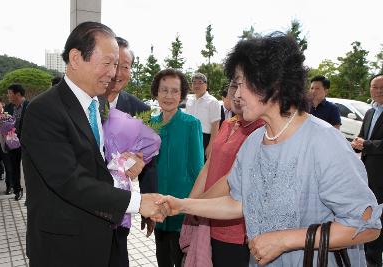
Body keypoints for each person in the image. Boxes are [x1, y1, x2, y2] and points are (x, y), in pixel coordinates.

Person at [159, 34, 381, 267]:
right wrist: (182, 205)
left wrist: (285, 240)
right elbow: (239, 202)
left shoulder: (324, 142)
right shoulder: (254, 141)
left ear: (272, 83)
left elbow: (367, 226)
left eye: (241, 83)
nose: (236, 94)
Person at [21, 21, 166, 267]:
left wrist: (123, 164)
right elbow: (69, 180)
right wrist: (138, 203)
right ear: (76, 58)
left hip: (102, 237)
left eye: (118, 65)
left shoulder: (96, 105)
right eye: (108, 63)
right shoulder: (44, 110)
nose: (113, 73)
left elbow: (93, 163)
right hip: (63, 247)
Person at [187, 82, 264, 267]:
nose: (237, 94)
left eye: (244, 87)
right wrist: (192, 203)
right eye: (233, 87)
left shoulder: (260, 129)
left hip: (234, 227)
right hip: (207, 217)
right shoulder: (228, 123)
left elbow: (232, 179)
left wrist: (196, 206)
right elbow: (209, 165)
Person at [99, 36, 157, 267]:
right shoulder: (87, 103)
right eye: (114, 64)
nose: (118, 72)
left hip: (121, 207)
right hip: (85, 205)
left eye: (125, 66)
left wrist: (147, 208)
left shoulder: (139, 109)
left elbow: (149, 165)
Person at [150, 68, 204, 267]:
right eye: (164, 90)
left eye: (174, 91)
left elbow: (198, 169)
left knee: (180, 259)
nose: (169, 96)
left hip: (181, 209)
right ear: (156, 92)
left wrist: (195, 207)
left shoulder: (191, 124)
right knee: (161, 258)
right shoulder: (150, 123)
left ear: (182, 95)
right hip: (157, 205)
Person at [351, 74, 383, 267]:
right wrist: (355, 144)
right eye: (374, 87)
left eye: (382, 87)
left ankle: (374, 261)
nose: (378, 91)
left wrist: (367, 145)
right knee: (369, 216)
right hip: (367, 175)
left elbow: (369, 143)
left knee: (377, 220)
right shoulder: (370, 112)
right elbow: (362, 137)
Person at [186, 73, 221, 160]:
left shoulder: (213, 102)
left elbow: (215, 126)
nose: (197, 85)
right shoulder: (189, 100)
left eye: (200, 82)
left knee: (201, 166)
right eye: (194, 82)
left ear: (206, 85)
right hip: (188, 137)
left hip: (204, 139)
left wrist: (211, 146)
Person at [4, 84, 28, 200]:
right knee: (14, 167)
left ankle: (31, 191)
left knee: (28, 168)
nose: (8, 95)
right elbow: (4, 126)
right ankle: (17, 190)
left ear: (17, 94)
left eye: (9, 93)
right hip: (12, 140)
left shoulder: (30, 106)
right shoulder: (8, 107)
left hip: (27, 143)